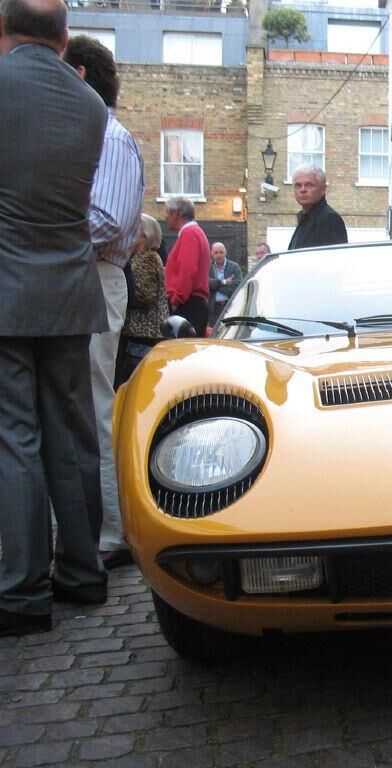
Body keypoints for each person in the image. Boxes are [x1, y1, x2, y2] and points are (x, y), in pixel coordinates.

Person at [0, 0, 110, 635]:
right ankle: (82, 570)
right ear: (65, 38)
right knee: (72, 434)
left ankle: (20, 592)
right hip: (69, 286)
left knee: (16, 436)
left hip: (7, 287)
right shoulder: (90, 104)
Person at [63, 33, 145, 569]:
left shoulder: (109, 138)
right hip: (85, 275)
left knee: (96, 407)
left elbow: (110, 220)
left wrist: (49, 233)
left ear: (82, 76)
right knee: (84, 405)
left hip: (94, 274)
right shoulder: (99, 134)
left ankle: (114, 533)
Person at [114, 214, 167, 388]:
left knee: (134, 385)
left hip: (143, 333)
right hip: (142, 333)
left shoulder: (146, 258)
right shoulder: (146, 257)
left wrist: (119, 295)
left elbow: (145, 295)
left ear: (145, 235)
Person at [164, 196, 211, 336]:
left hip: (188, 304)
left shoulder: (189, 234)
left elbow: (188, 269)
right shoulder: (195, 232)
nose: (166, 217)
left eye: (167, 213)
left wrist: (177, 300)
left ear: (176, 214)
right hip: (193, 302)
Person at [287, 165, 348, 249]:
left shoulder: (329, 219)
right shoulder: (304, 218)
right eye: (298, 185)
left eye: (308, 185)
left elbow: (335, 258)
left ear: (323, 189)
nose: (302, 190)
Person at [208, 241, 242, 320]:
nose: (219, 255)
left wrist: (215, 285)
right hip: (213, 309)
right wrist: (225, 282)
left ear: (225, 252)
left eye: (221, 252)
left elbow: (236, 288)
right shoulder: (207, 267)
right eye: (216, 253)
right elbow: (205, 284)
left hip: (230, 308)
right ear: (211, 253)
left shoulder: (234, 267)